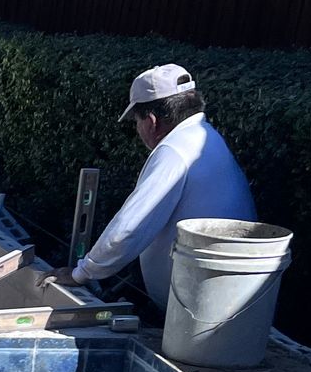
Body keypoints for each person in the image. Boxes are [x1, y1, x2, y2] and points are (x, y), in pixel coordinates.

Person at [47, 64, 256, 309]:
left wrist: (81, 274)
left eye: (136, 120)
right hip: (221, 300)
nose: (137, 129)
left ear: (152, 121)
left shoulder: (174, 151)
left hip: (194, 310)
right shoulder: (206, 139)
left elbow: (129, 229)